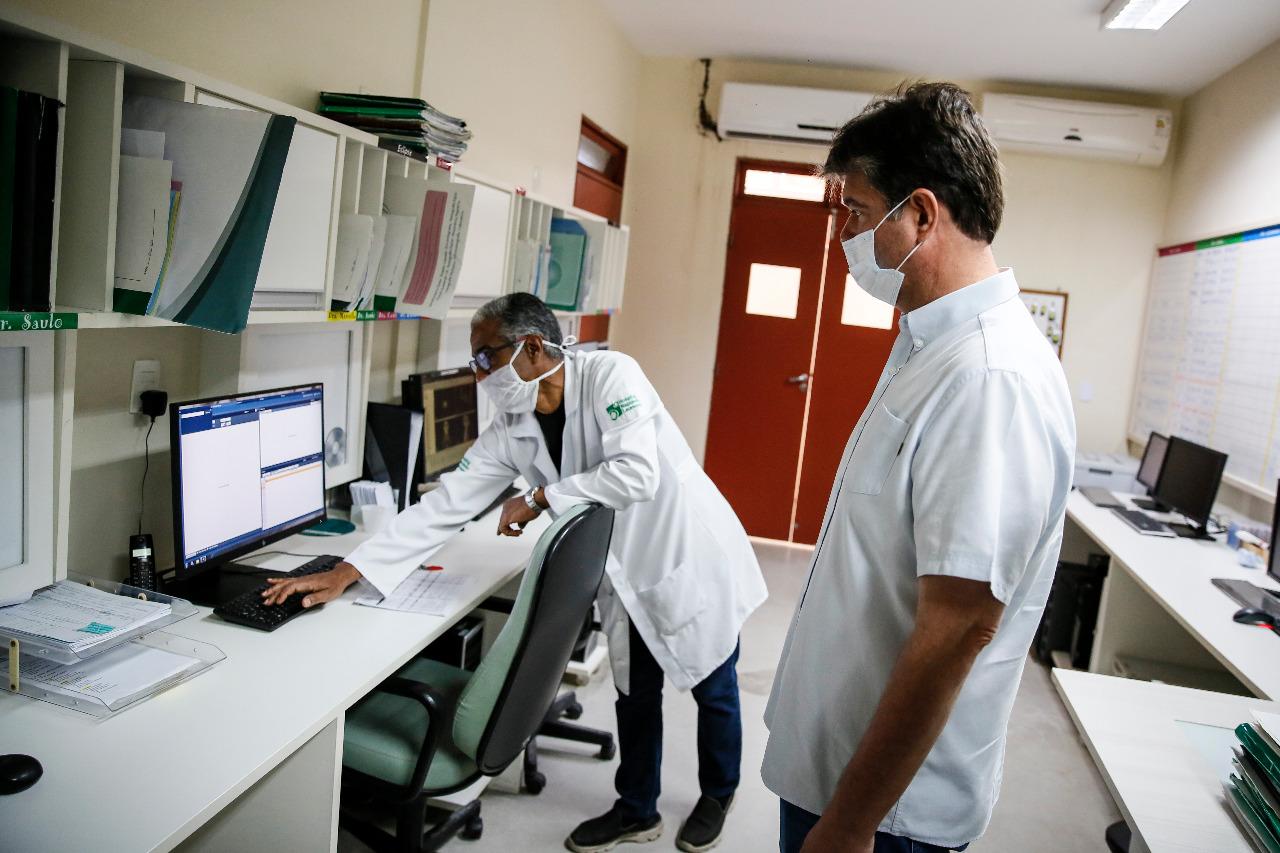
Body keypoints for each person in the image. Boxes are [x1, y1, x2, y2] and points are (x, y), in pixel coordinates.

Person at [263, 293, 767, 853]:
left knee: (714, 684)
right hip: (621, 572)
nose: (479, 375)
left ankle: (718, 794)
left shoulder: (611, 375)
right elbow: (447, 503)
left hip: (682, 555)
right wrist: (349, 568)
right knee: (635, 694)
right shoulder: (513, 424)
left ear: (530, 348)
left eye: (485, 358)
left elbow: (636, 474)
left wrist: (539, 496)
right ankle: (636, 810)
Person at [761, 82, 1076, 853]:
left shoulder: (990, 377)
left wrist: (851, 823)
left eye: (857, 212)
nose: (844, 235)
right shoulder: (929, 345)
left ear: (922, 214)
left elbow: (960, 624)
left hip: (886, 815)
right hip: (839, 767)